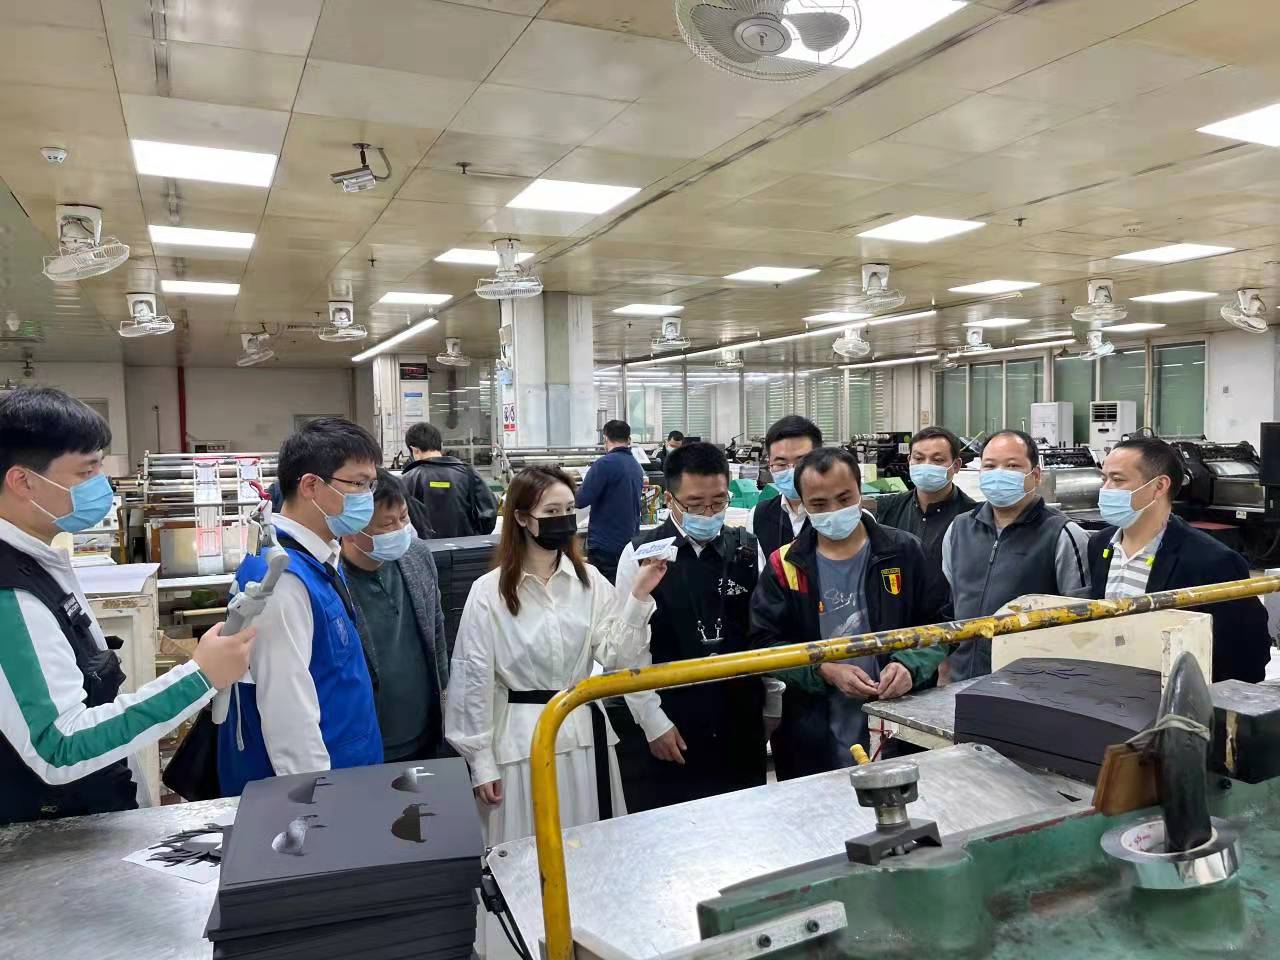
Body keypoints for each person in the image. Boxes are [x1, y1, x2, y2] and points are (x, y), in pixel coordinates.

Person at [0, 387, 253, 824]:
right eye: (87, 471)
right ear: (23, 481)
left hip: (92, 807)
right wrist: (201, 677)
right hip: (52, 833)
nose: (102, 485)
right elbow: (59, 747)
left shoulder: (39, 559)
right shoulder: (10, 593)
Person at [444, 466, 665, 846]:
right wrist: (479, 760)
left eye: (568, 510)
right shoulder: (489, 592)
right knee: (528, 848)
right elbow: (472, 677)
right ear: (521, 518)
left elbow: (617, 656)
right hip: (521, 743)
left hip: (584, 734)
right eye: (550, 512)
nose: (562, 520)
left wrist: (638, 596)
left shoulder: (589, 581)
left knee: (591, 848)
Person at [750, 447, 944, 778]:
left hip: (899, 728)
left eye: (844, 498)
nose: (834, 511)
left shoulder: (904, 552)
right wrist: (822, 669)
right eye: (819, 504)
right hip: (812, 737)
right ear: (802, 504)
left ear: (859, 490)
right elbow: (765, 644)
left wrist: (909, 666)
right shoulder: (785, 566)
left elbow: (942, 623)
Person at [218, 418, 384, 796]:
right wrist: (317, 806)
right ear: (311, 485)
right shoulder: (281, 581)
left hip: (351, 773)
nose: (367, 497)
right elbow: (287, 716)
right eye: (358, 484)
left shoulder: (315, 561)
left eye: (371, 485)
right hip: (324, 791)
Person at [612, 442, 778, 811]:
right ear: (669, 499)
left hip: (739, 713)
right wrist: (652, 721)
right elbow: (627, 650)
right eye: (695, 504)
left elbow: (765, 633)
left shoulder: (747, 550)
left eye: (718, 502)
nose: (708, 513)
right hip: (671, 716)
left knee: (743, 819)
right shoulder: (640, 554)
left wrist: (772, 702)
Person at [1088, 436, 1270, 683]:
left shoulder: (1213, 562)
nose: (1105, 490)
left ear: (1159, 486)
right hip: (1112, 685)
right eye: (1104, 479)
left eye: (1117, 480)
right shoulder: (1100, 545)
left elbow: (1247, 657)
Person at [941, 429, 1090, 682]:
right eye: (990, 466)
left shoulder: (1063, 535)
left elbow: (1082, 626)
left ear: (1036, 475)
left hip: (1031, 686)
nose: (999, 474)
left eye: (1012, 466)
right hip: (962, 679)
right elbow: (948, 605)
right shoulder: (959, 529)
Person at [340, 469, 449, 763]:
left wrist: (445, 697)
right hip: (370, 745)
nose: (400, 530)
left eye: (403, 517)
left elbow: (437, 632)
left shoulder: (417, 555)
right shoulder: (333, 581)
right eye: (387, 524)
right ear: (350, 529)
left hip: (425, 733)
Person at [873, 426, 976, 606]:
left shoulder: (972, 517)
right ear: (909, 461)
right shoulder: (888, 508)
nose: (926, 465)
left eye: (937, 460)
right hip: (895, 610)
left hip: (946, 615)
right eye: (919, 459)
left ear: (956, 466)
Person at [748, 415, 822, 570]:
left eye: (802, 462)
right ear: (770, 464)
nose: (792, 471)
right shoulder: (759, 515)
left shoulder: (844, 515)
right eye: (781, 464)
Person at [400, 421, 497, 539]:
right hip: (466, 546)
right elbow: (489, 513)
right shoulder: (468, 473)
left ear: (414, 450)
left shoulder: (407, 479)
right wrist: (473, 538)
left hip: (426, 548)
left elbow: (401, 522)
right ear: (440, 444)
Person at [576, 419, 645, 583]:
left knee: (604, 591)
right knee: (623, 587)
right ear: (629, 439)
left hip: (605, 545)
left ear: (605, 438)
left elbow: (580, 500)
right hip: (629, 543)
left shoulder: (604, 464)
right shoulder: (635, 466)